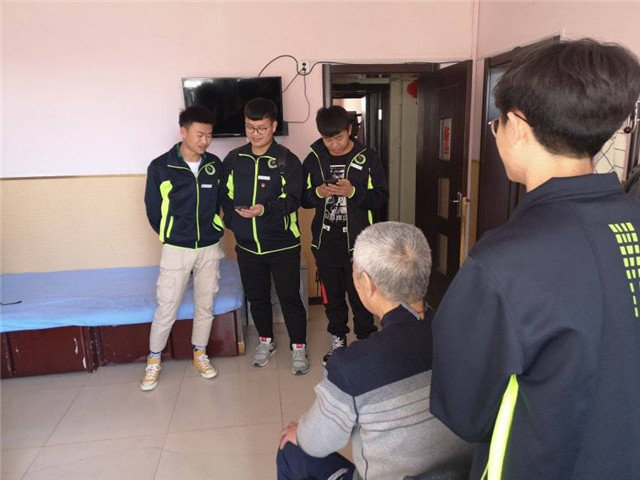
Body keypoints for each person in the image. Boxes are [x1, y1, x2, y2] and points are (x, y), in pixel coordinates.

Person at [430, 39, 640, 479]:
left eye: (497, 123)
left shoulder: (504, 261)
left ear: (519, 125)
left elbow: (464, 413)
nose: (497, 134)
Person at [277, 222, 470, 480]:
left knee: (290, 449)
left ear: (367, 284)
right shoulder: (468, 335)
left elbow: (315, 442)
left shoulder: (353, 365)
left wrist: (300, 433)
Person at [221, 98, 308, 375]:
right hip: (247, 247)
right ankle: (266, 341)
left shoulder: (287, 160)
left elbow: (294, 199)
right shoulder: (234, 159)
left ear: (273, 126)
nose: (255, 133)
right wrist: (235, 223)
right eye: (250, 127)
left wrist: (264, 210)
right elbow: (225, 196)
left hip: (283, 245)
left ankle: (298, 346)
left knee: (289, 297)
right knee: (257, 298)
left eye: (261, 128)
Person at [141, 105, 225, 391]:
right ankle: (154, 360)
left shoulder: (214, 165)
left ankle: (200, 352)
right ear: (183, 132)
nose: (205, 141)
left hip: (209, 246)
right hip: (176, 248)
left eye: (209, 135)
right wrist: (172, 234)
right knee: (167, 305)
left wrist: (214, 227)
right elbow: (154, 211)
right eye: (199, 134)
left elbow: (221, 203)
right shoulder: (161, 167)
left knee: (205, 303)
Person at [301, 106, 388, 364]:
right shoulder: (314, 158)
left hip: (359, 244)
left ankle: (366, 342)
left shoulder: (368, 157)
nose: (334, 144)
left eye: (338, 137)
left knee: (362, 298)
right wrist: (318, 193)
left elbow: (381, 197)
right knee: (333, 299)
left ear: (349, 130)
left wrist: (353, 192)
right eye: (328, 139)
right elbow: (302, 198)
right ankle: (338, 339)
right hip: (326, 242)